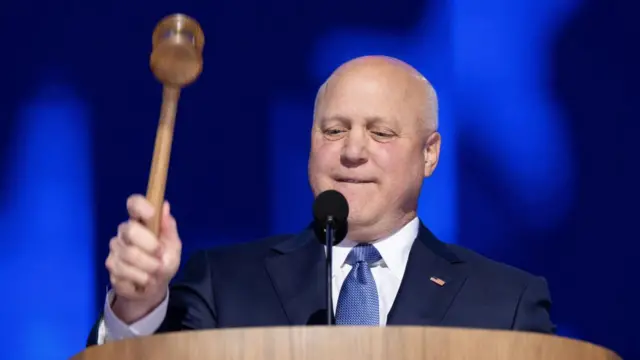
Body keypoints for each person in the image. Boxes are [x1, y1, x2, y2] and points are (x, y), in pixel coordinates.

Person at [86, 55, 555, 346]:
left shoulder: (506, 304)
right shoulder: (224, 285)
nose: (352, 151)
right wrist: (139, 307)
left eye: (380, 132)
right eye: (334, 130)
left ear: (429, 153)